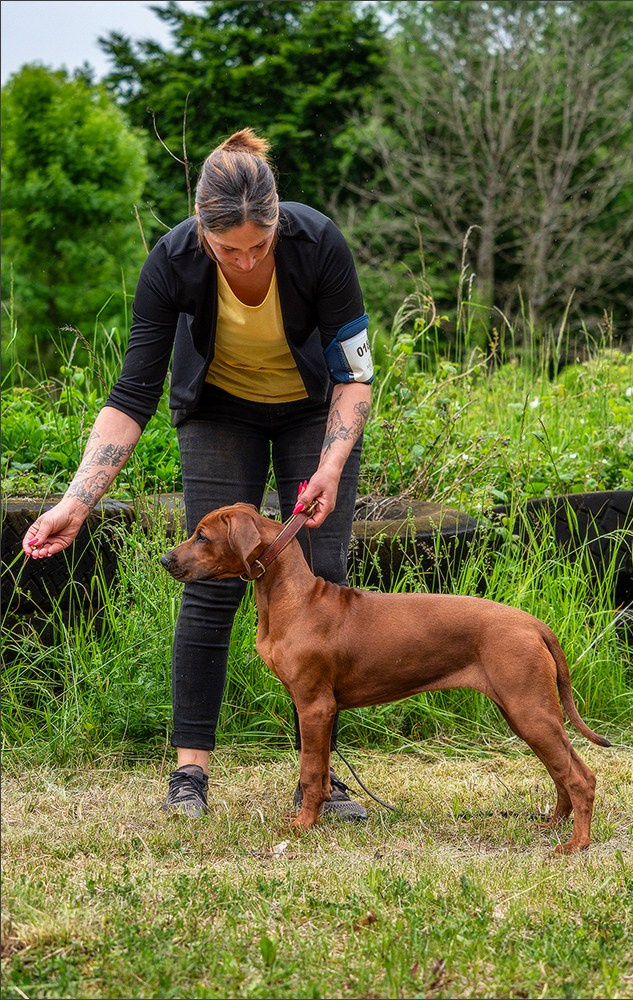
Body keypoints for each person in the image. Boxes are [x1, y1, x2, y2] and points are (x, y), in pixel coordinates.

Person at [22, 127, 374, 820]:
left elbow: (354, 375)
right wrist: (75, 503)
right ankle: (190, 776)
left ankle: (319, 779)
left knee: (320, 579)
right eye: (227, 249)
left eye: (259, 245)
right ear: (201, 229)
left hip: (315, 412)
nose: (245, 259)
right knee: (210, 580)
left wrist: (331, 465)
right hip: (218, 411)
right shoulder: (173, 260)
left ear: (278, 220)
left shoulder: (318, 243)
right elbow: (132, 396)